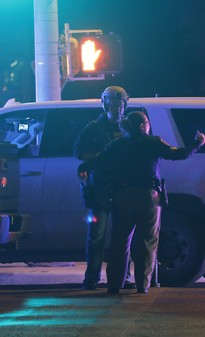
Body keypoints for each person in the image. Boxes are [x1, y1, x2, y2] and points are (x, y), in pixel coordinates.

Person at [78, 111, 205, 294]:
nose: (149, 125)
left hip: (122, 196)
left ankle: (114, 284)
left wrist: (83, 167)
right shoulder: (153, 142)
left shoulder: (118, 144)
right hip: (148, 198)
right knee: (148, 241)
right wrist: (197, 143)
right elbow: (179, 154)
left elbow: (99, 160)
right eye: (147, 122)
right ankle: (142, 285)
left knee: (120, 242)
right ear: (142, 126)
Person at [73, 85, 134, 290]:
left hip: (123, 190)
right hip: (99, 190)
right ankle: (92, 278)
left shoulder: (129, 128)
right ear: (104, 103)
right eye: (113, 103)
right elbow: (79, 152)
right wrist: (102, 157)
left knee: (122, 237)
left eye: (120, 103)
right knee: (96, 237)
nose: (117, 108)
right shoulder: (93, 128)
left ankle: (122, 277)